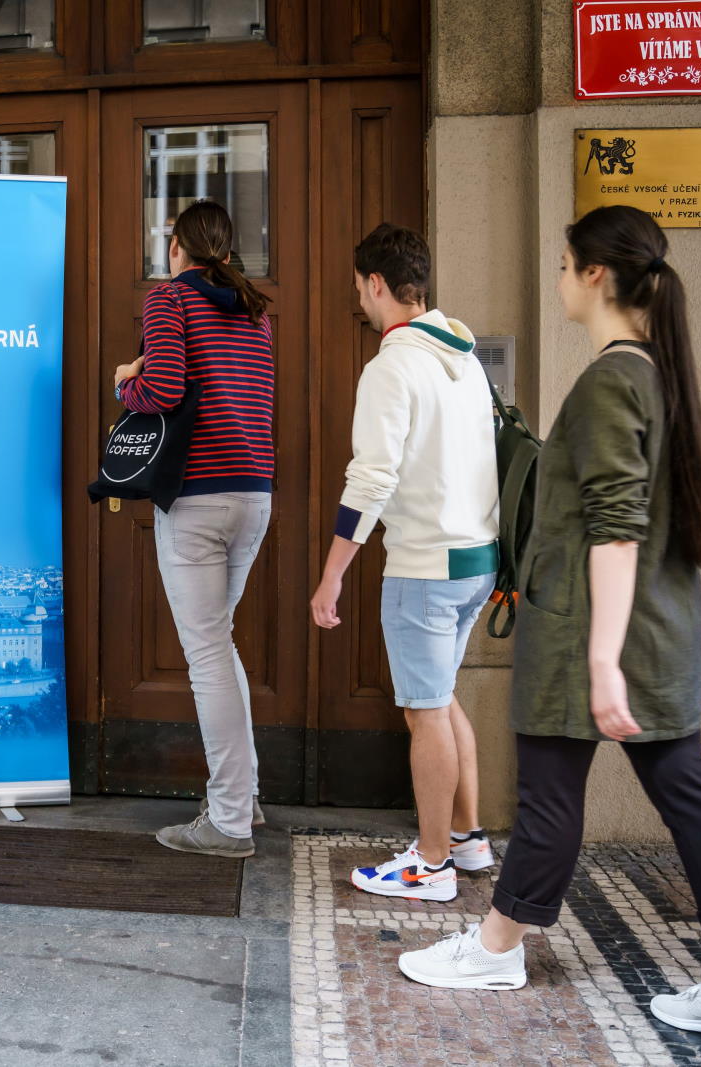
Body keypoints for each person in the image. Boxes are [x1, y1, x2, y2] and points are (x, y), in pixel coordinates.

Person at [397, 205, 701, 1048]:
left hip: (594, 635)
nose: (560, 279)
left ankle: (498, 947)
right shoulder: (654, 372)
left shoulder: (614, 378)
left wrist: (602, 660)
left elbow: (615, 523)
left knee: (552, 799)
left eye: (566, 266)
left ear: (596, 275)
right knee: (684, 792)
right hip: (654, 629)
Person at [311, 223, 499, 902]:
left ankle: (430, 863)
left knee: (425, 711)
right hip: (477, 556)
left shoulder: (393, 366)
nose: (359, 298)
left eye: (360, 286)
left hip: (425, 564)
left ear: (378, 284)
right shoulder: (465, 359)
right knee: (443, 697)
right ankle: (469, 840)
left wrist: (333, 572)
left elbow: (371, 479)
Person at [114, 200, 275, 858]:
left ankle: (230, 822)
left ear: (176, 245)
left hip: (199, 498)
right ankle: (246, 795)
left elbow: (167, 388)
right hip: (254, 494)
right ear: (227, 252)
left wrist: (129, 382)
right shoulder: (254, 309)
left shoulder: (169, 299)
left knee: (207, 655)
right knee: (219, 645)